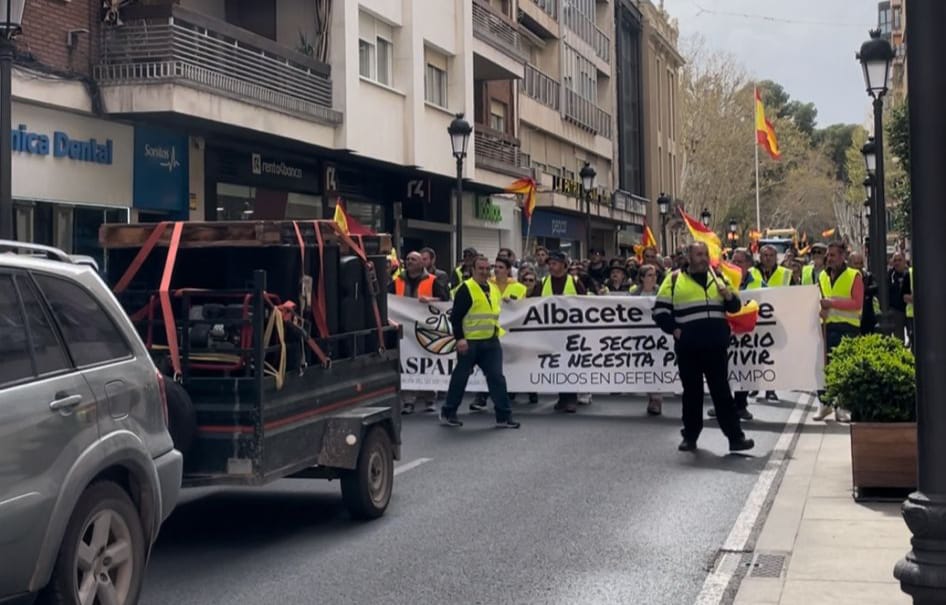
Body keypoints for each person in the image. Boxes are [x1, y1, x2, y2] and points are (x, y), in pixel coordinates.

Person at [652, 242, 755, 452]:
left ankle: (735, 438)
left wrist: (728, 295)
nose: (703, 259)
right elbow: (659, 312)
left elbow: (735, 307)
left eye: (705, 254)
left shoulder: (718, 278)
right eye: (698, 254)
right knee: (692, 394)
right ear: (688, 257)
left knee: (722, 394)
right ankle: (690, 436)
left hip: (715, 346)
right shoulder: (673, 280)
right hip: (688, 348)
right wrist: (674, 329)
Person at [440, 255, 521, 429]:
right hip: (470, 343)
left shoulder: (492, 289)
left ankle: (504, 417)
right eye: (481, 268)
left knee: (497, 378)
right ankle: (448, 412)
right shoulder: (466, 289)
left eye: (487, 268)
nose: (485, 272)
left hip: (490, 341)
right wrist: (460, 338)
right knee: (460, 378)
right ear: (473, 270)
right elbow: (456, 317)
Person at [390, 251, 451, 414]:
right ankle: (408, 400)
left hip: (425, 329)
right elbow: (388, 301)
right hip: (405, 330)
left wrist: (431, 300)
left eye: (413, 259)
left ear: (422, 264)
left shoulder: (433, 281)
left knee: (426, 362)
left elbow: (445, 301)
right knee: (406, 362)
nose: (409, 261)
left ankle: (429, 398)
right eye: (408, 259)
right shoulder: (397, 281)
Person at [813, 241, 863, 422]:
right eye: (828, 255)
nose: (829, 258)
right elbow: (819, 299)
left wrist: (832, 304)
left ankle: (843, 406)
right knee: (822, 367)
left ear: (843, 257)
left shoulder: (854, 275)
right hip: (825, 327)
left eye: (833, 255)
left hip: (847, 327)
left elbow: (857, 303)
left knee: (843, 368)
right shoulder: (822, 276)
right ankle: (825, 404)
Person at [532, 250, 586, 412]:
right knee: (557, 365)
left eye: (554, 263)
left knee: (569, 364)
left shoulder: (575, 282)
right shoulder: (543, 282)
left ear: (564, 265)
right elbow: (531, 304)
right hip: (549, 332)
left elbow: (586, 304)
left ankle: (570, 399)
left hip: (571, 332)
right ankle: (563, 398)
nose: (551, 266)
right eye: (550, 263)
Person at [708, 248, 755, 421]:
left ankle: (741, 405)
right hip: (724, 331)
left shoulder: (757, 282)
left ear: (749, 264)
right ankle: (722, 404)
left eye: (740, 262)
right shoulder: (721, 279)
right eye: (733, 261)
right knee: (722, 370)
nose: (734, 265)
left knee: (744, 368)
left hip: (748, 334)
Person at [748, 244, 791, 402]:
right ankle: (753, 384)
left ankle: (771, 388)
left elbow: (792, 294)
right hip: (755, 320)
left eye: (771, 255)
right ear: (760, 256)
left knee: (772, 357)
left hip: (776, 321)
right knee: (754, 355)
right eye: (765, 255)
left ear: (776, 257)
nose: (768, 258)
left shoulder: (785, 274)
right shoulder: (751, 273)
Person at [631, 264, 663, 415]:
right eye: (649, 275)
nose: (653, 278)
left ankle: (656, 399)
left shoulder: (662, 292)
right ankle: (651, 397)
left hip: (659, 337)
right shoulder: (634, 295)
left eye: (655, 275)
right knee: (645, 366)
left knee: (656, 365)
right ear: (642, 278)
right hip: (640, 337)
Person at [848, 252, 878, 335]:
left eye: (860, 263)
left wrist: (861, 290)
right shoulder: (846, 278)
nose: (858, 266)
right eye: (856, 263)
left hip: (867, 317)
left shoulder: (868, 276)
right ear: (850, 264)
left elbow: (875, 287)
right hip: (851, 317)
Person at [887, 251, 911, 343]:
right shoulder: (890, 274)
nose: (897, 263)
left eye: (900, 260)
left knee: (913, 336)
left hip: (910, 311)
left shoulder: (909, 273)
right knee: (899, 340)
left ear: (904, 261)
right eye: (895, 260)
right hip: (897, 311)